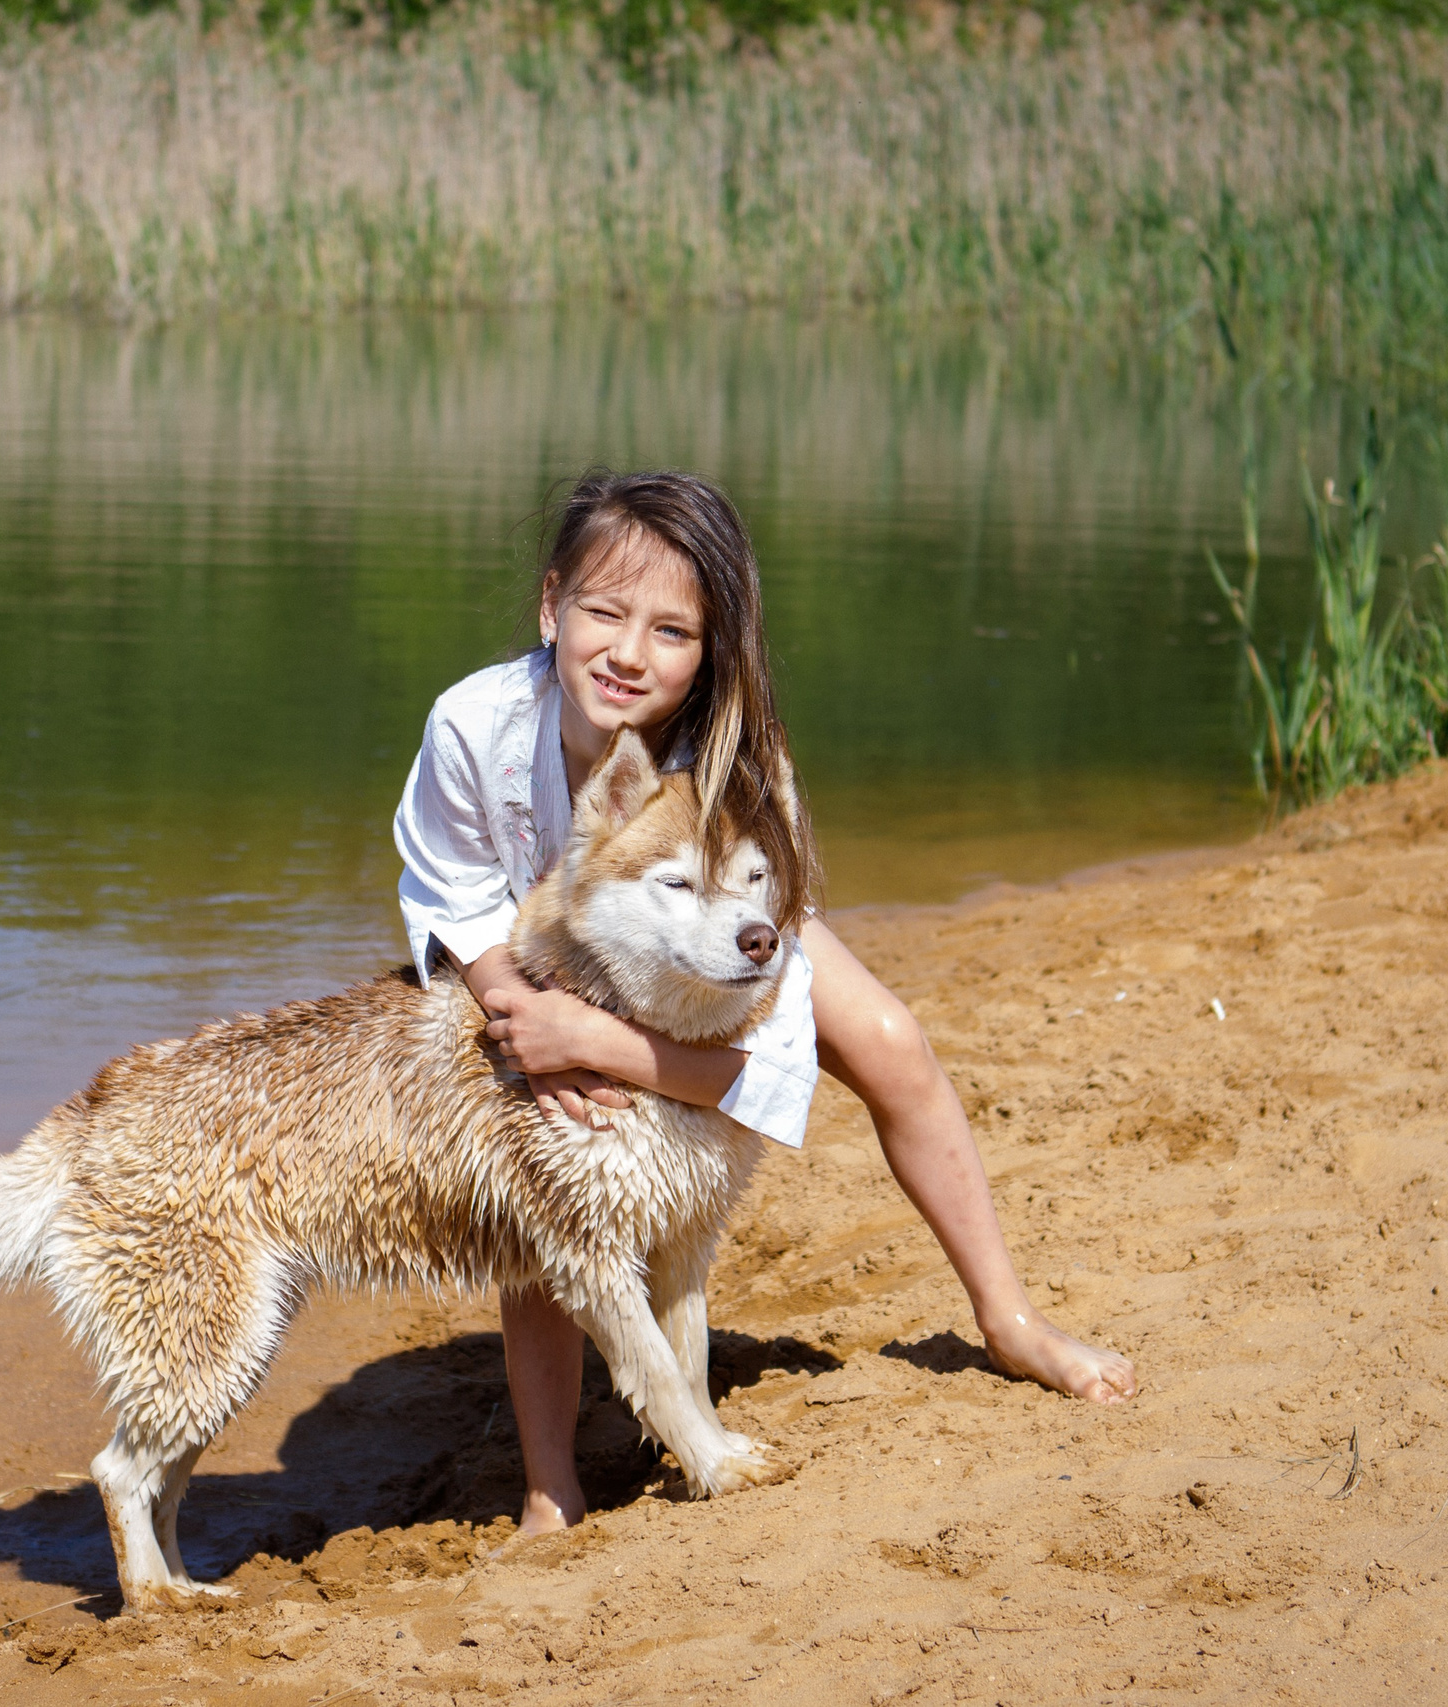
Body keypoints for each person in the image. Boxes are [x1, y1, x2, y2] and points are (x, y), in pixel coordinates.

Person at [393, 469, 1136, 1537]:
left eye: (671, 631)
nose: (627, 652)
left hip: (723, 930)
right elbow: (450, 884)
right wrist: (520, 1013)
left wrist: (601, 1040)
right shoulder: (474, 723)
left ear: (712, 649)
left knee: (889, 1040)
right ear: (550, 605)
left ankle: (1008, 1317)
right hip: (545, 941)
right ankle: (549, 1481)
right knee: (548, 1180)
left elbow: (762, 1052)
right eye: (602, 612)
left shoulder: (740, 767)